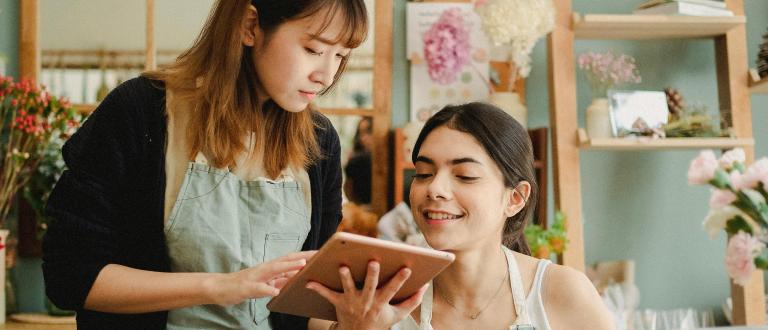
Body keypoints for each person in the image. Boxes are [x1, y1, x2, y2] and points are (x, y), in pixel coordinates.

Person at [41, 0, 368, 329]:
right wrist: (219, 286)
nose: (325, 76)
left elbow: (306, 309)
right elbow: (70, 276)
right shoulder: (140, 113)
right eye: (313, 49)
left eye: (340, 55)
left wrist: (356, 321)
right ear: (250, 26)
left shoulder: (321, 141)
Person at [307, 102, 614, 329]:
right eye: (424, 173)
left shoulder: (562, 293)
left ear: (516, 198)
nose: (435, 189)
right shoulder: (366, 302)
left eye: (465, 176)